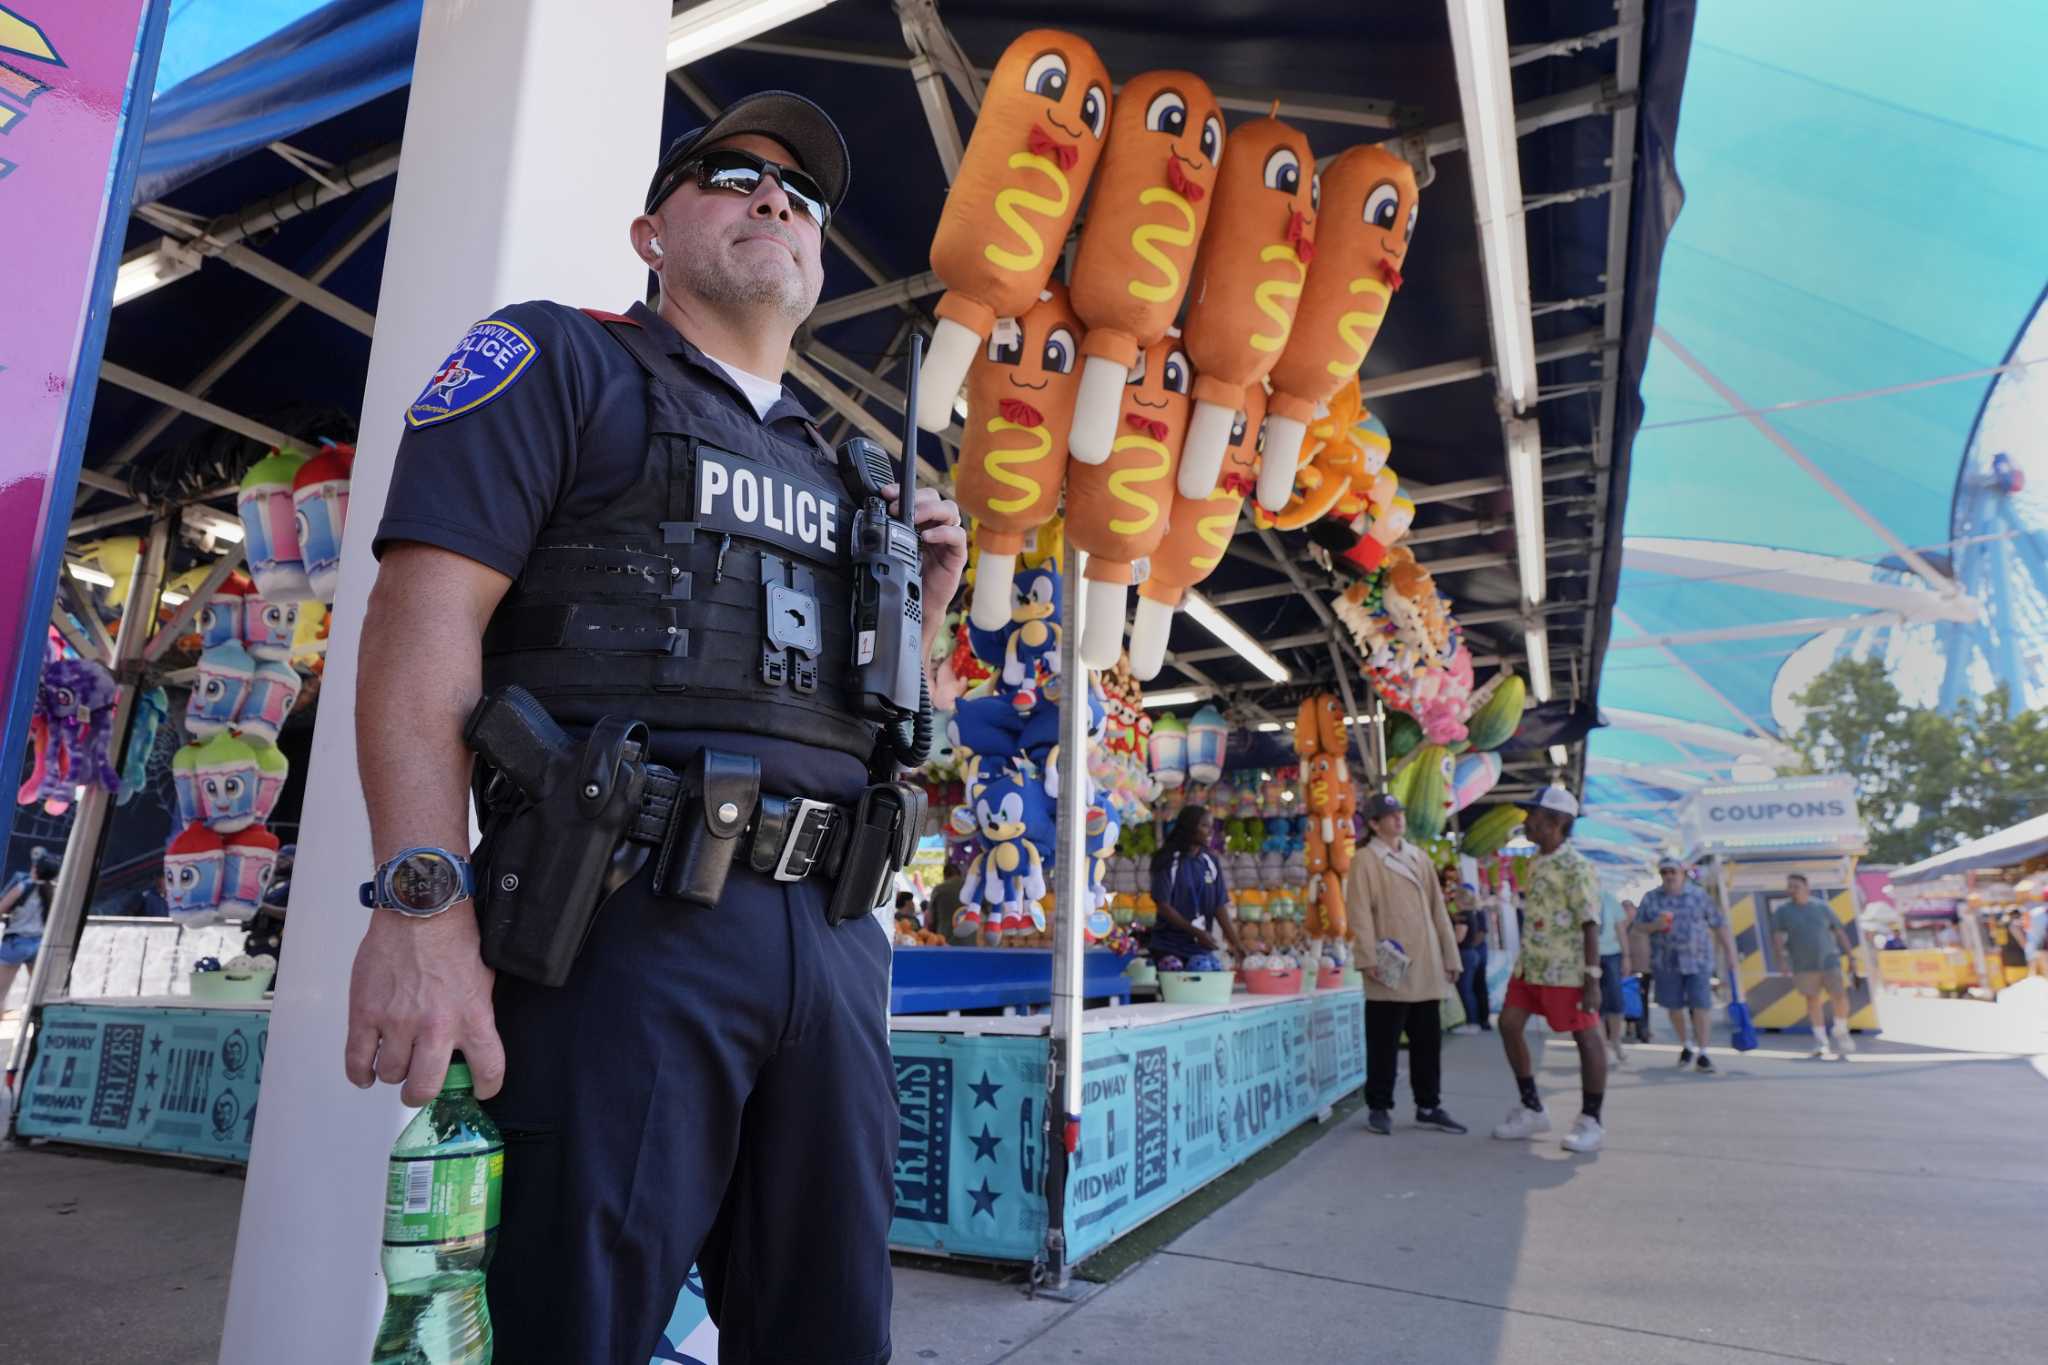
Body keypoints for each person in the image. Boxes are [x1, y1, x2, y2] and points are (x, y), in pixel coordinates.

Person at [345, 92, 965, 1364]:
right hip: (620, 926)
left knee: (835, 1333)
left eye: (800, 195)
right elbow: (420, 619)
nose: (772, 199)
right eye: (729, 174)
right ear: (650, 231)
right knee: (570, 1328)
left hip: (835, 941)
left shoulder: (848, 471)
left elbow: (881, 728)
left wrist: (925, 609)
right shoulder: (559, 362)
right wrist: (420, 903)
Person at [1490, 787, 1608, 1154]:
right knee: (1508, 1024)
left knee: (1586, 1039)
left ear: (1557, 822)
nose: (1527, 820)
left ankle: (1591, 1120)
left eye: (1534, 815)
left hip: (1566, 969)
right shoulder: (1537, 861)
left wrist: (1592, 977)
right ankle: (1532, 1107)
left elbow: (1590, 923)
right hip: (1530, 966)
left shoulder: (1577, 867)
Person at [1346, 793, 1467, 1136]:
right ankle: (1379, 1106)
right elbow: (1359, 911)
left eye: (1399, 812)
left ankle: (1428, 1104)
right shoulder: (1366, 860)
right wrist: (1368, 957)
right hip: (1390, 960)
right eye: (1389, 815)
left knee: (1427, 1039)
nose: (1398, 819)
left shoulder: (1419, 857)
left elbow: (1438, 910)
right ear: (1373, 823)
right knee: (1383, 1040)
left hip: (1426, 960)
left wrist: (1449, 954)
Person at [1636, 856, 1737, 1073]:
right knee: (1674, 1007)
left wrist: (1731, 955)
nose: (1669, 876)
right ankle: (1686, 1045)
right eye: (1665, 872)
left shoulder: (1699, 896)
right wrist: (1655, 925)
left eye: (1673, 871)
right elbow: (1639, 927)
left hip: (1698, 960)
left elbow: (1719, 924)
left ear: (1682, 873)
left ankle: (1703, 1052)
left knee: (1701, 1005)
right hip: (1666, 962)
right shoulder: (1651, 898)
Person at [1770, 873, 1856, 1058]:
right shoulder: (1783, 912)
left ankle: (1841, 1030)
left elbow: (1839, 931)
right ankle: (1821, 1041)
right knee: (1812, 1000)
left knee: (1839, 996)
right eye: (1790, 886)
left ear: (1806, 887)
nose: (1792, 890)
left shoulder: (1822, 907)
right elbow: (1777, 938)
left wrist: (1851, 956)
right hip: (1802, 964)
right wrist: (1781, 961)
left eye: (1796, 886)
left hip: (1829, 960)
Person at [1148, 806, 1245, 964]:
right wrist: (1197, 932)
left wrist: (1237, 944)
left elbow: (1219, 907)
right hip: (1169, 947)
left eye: (1211, 826)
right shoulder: (1168, 860)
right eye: (1204, 826)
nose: (1210, 832)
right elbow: (1163, 906)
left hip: (1200, 948)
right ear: (1189, 826)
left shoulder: (1210, 861)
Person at [0, 848, 60, 1009]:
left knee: (1, 993)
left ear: (36, 870)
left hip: (15, 943)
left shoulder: (23, 886)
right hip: (40, 944)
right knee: (40, 993)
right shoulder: (55, 890)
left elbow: (1, 908)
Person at [1597, 890, 1632, 1065]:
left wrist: (1626, 956)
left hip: (1611, 955)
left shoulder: (1609, 898)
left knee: (1615, 1001)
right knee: (1596, 1004)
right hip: (1588, 956)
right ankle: (1603, 1047)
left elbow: (1620, 928)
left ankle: (1616, 1040)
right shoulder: (1577, 898)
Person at [1455, 882, 1492, 1033]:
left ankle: (1475, 1021)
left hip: (1470, 953)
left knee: (1468, 989)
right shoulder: (1473, 913)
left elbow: (1461, 937)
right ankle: (1478, 1020)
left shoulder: (1467, 915)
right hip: (1474, 953)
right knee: (1472, 988)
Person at [1625, 896, 1656, 1043]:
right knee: (1628, 999)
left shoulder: (1643, 926)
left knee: (1642, 1001)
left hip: (1644, 970)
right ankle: (1630, 1028)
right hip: (1627, 970)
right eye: (1624, 909)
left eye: (1629, 908)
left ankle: (1643, 1030)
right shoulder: (1619, 926)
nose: (1626, 912)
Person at [928, 863, 966, 941]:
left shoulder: (938, 889)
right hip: (971, 941)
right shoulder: (972, 887)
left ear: (945, 876)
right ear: (960, 874)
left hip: (945, 940)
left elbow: (930, 919)